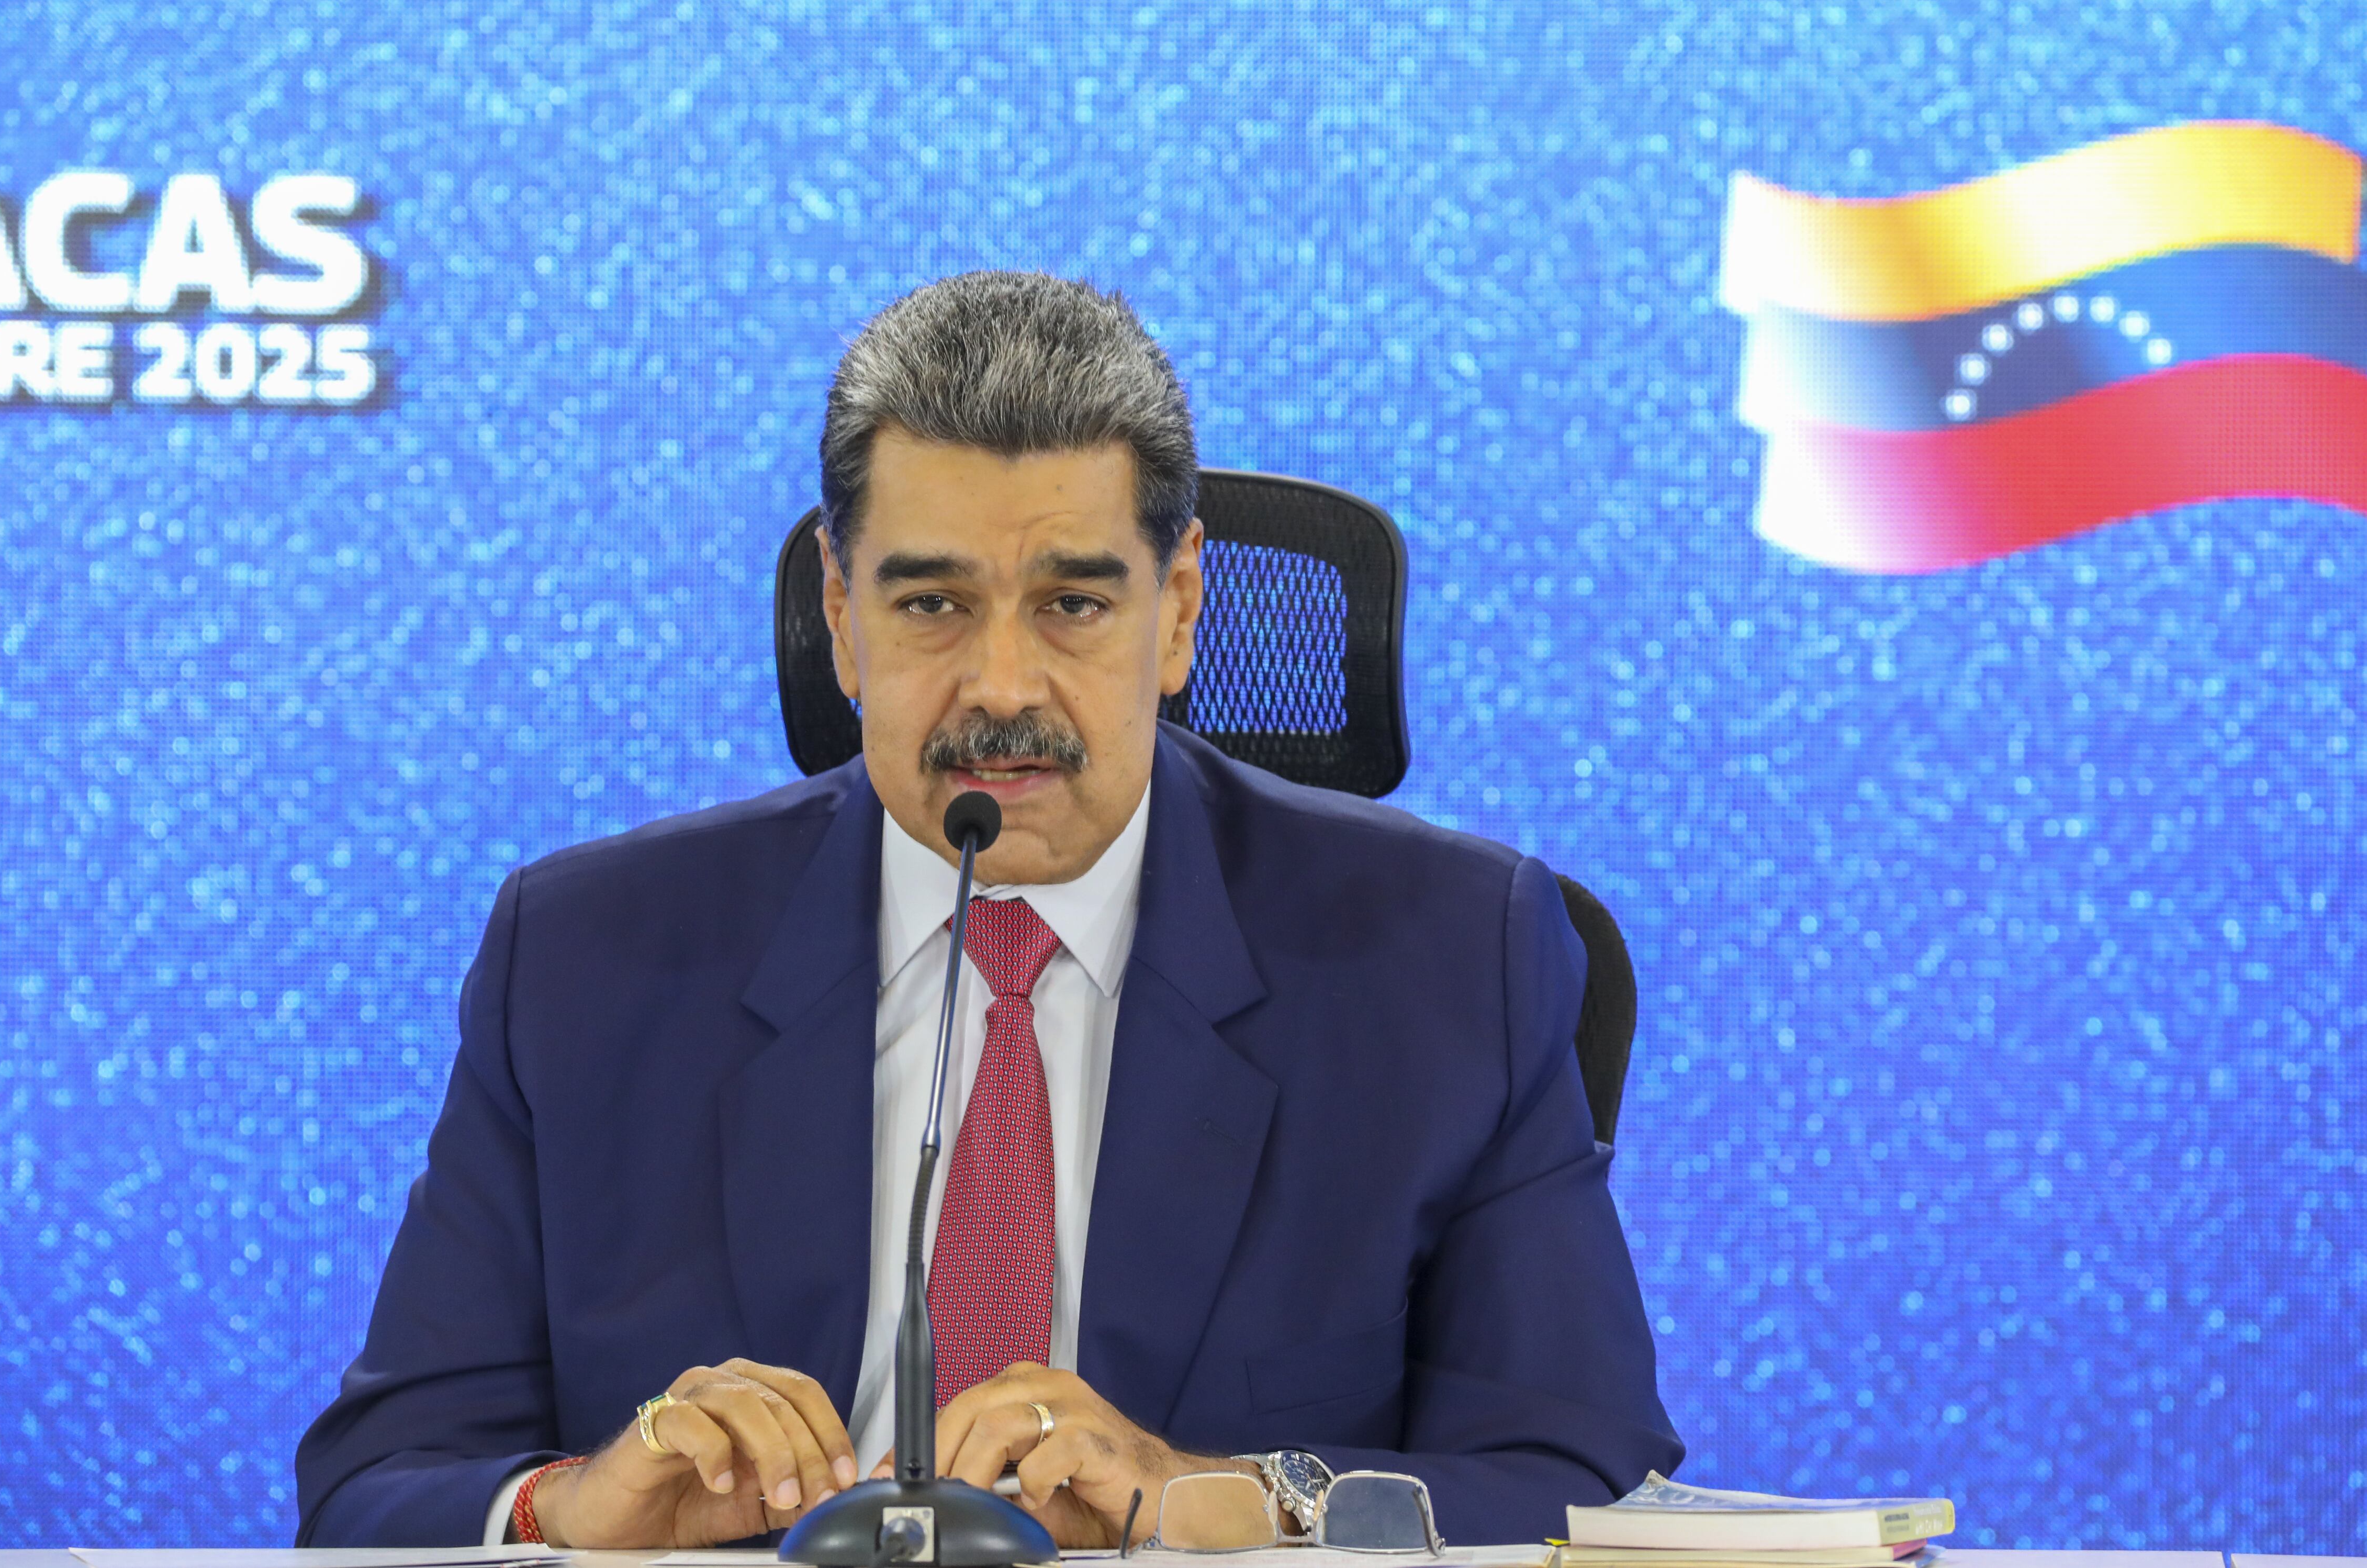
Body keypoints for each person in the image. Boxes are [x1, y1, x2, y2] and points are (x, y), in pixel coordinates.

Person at [293, 271, 1681, 1551]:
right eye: (933, 606)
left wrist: (1231, 1500)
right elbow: (377, 1486)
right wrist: (571, 1503)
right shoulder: (590, 960)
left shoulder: (1442, 960)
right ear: (841, 619)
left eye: (1075, 604)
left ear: (1182, 607)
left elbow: (1584, 1474)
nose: (1002, 685)